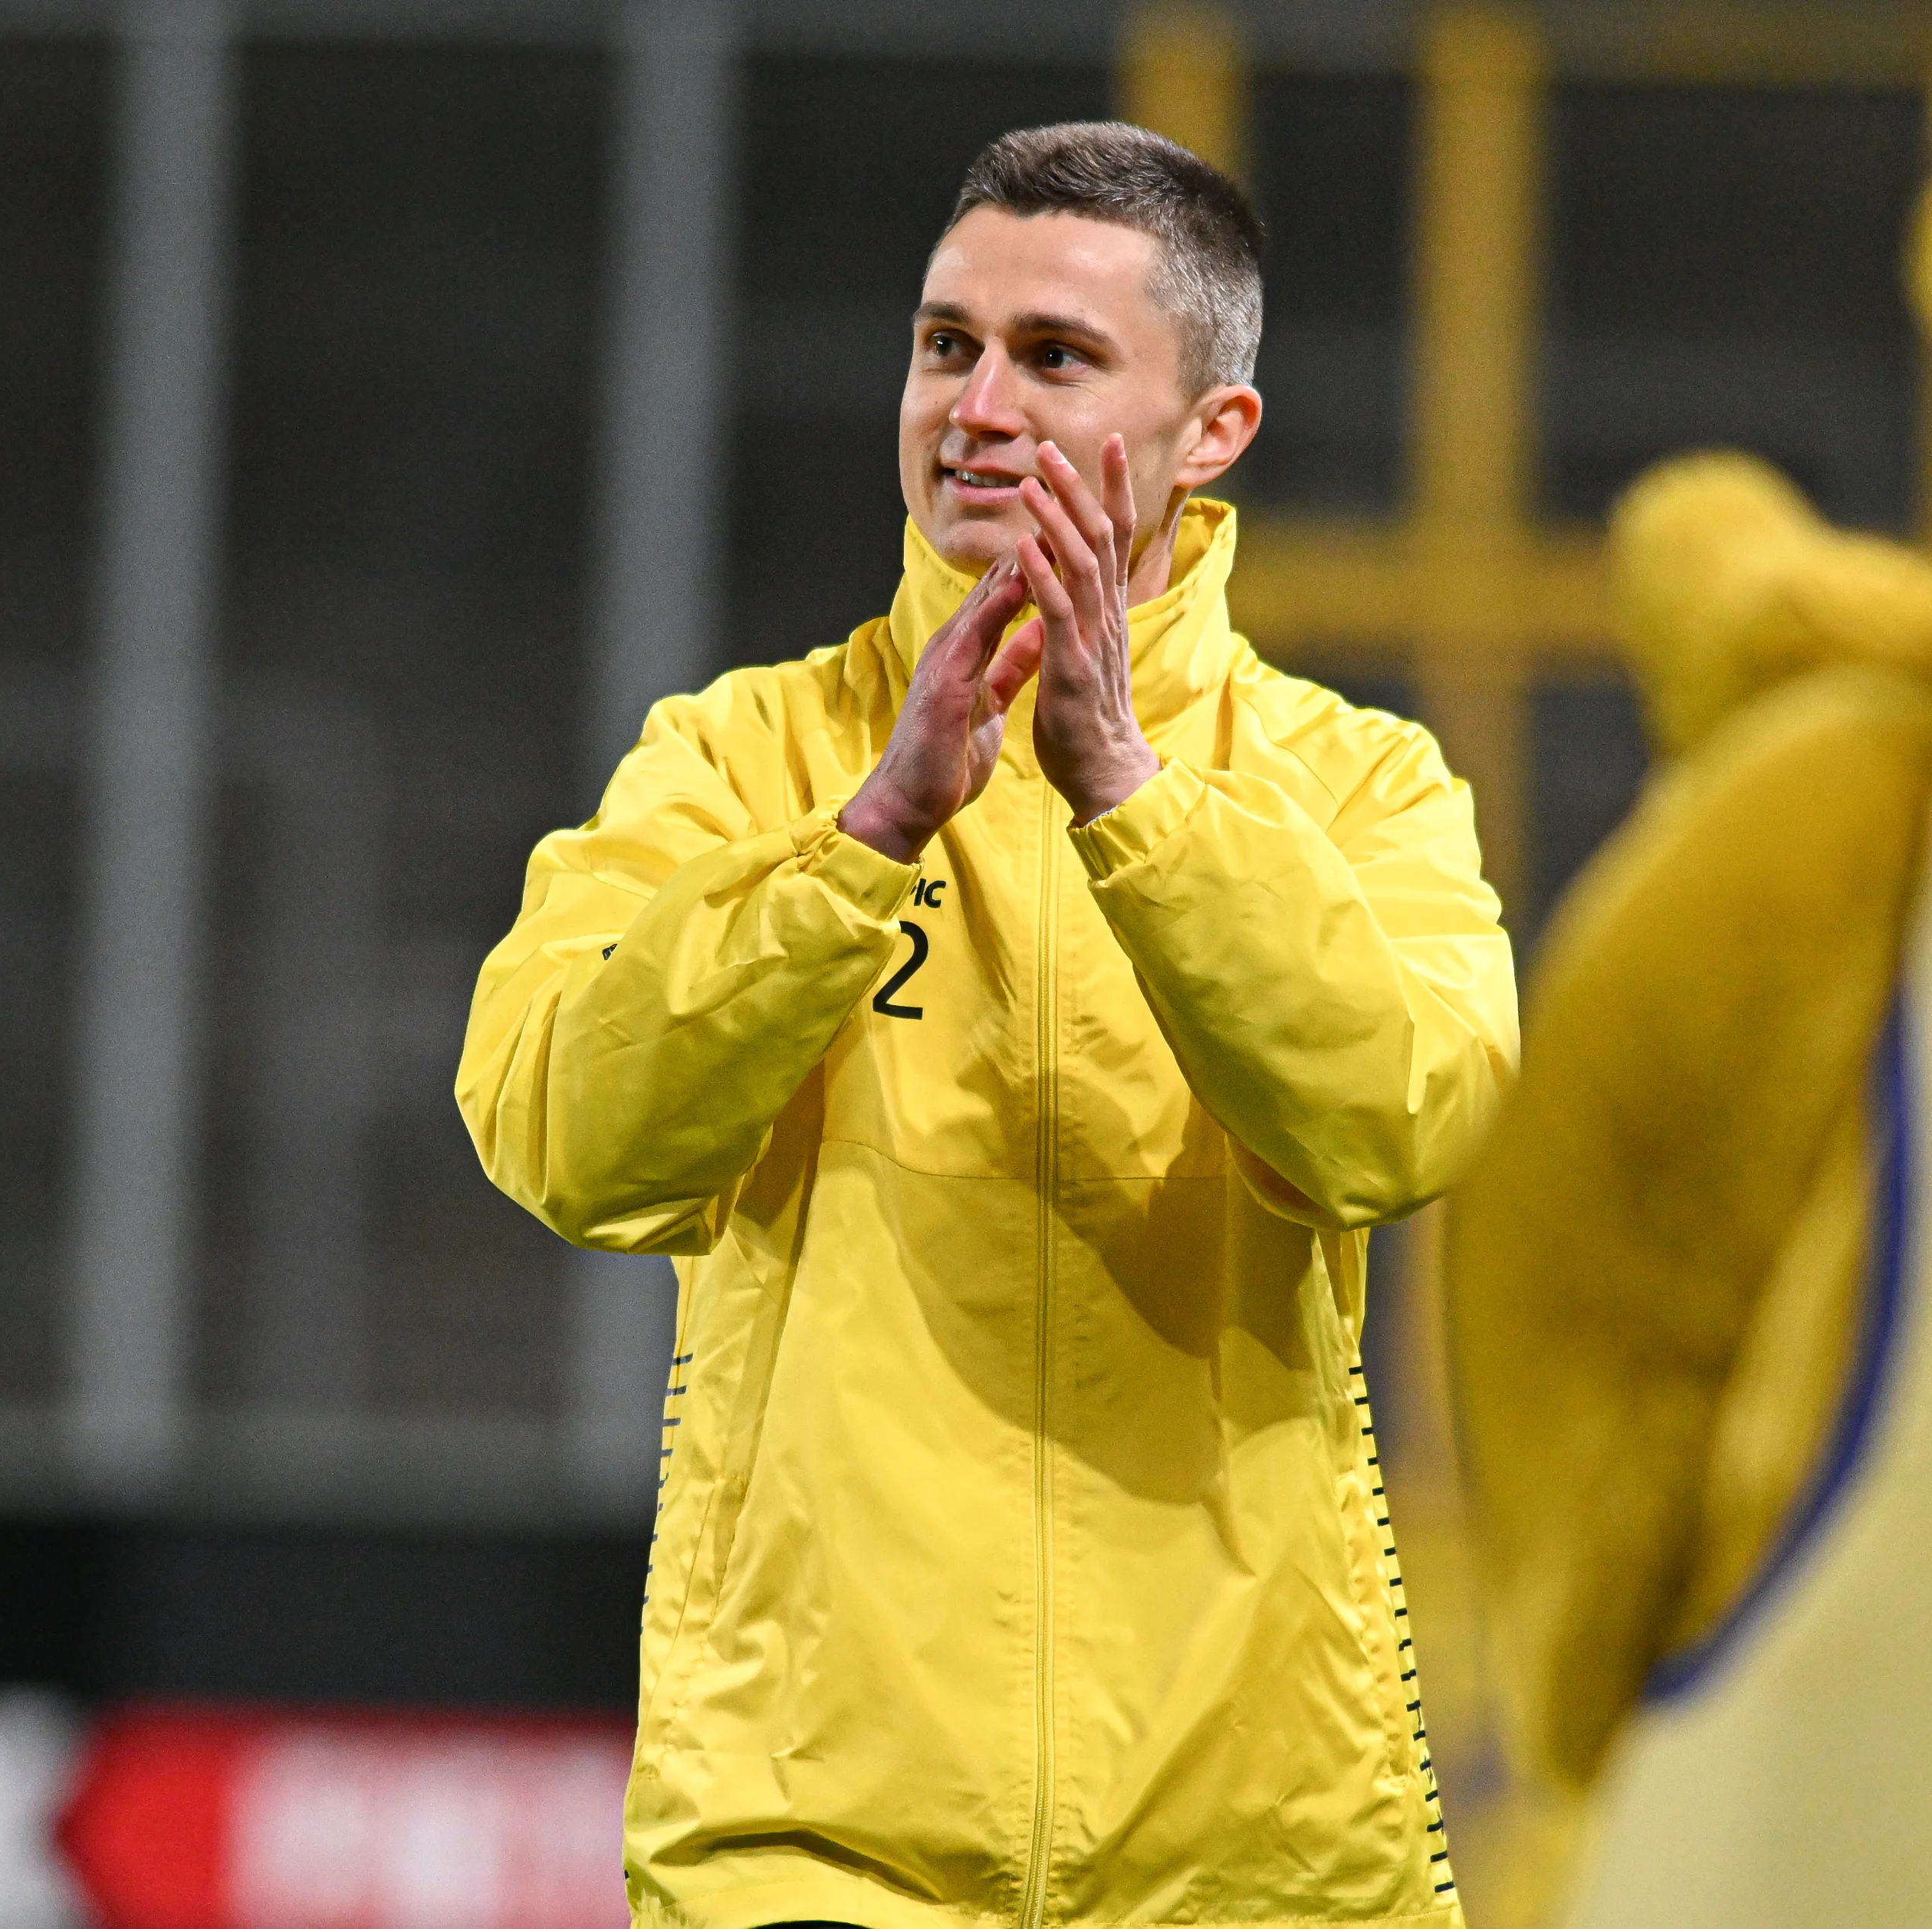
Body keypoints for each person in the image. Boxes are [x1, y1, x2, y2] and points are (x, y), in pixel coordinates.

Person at [458, 122, 1514, 1929]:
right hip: (809, 1849)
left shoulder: (1357, 786)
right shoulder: (741, 762)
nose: (975, 406)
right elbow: (564, 1136)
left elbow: (1402, 1118)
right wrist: (862, 840)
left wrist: (1129, 797)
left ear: (1209, 437)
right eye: (946, 344)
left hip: (1255, 1860)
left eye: (1053, 357)